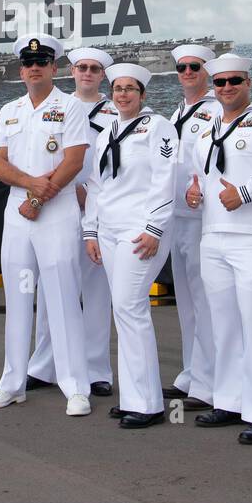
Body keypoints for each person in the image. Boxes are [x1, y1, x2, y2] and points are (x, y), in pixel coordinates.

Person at [185, 54, 252, 445]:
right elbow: (200, 172)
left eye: (235, 81)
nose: (227, 87)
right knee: (224, 323)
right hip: (213, 234)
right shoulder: (207, 127)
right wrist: (193, 190)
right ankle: (229, 401)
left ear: (249, 82)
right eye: (220, 83)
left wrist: (245, 193)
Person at [0, 34, 93, 416]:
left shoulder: (72, 107)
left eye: (42, 62)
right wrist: (30, 187)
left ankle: (75, 386)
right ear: (21, 70)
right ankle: (12, 382)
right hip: (18, 211)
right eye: (29, 63)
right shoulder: (10, 110)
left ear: (54, 67)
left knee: (62, 297)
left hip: (57, 210)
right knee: (17, 298)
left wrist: (39, 196)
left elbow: (75, 160)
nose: (35, 68)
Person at [82, 63, 176, 428]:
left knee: (130, 306)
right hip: (109, 229)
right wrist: (90, 231)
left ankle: (148, 404)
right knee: (123, 311)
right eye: (117, 88)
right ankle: (135, 395)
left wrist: (154, 228)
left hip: (141, 229)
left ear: (143, 94)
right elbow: (96, 185)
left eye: (130, 89)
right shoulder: (107, 131)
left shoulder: (159, 128)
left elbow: (165, 180)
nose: (122, 95)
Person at [25, 46, 117, 397]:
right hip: (58, 202)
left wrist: (91, 199)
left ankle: (95, 370)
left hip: (101, 210)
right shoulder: (57, 106)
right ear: (72, 71)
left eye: (94, 68)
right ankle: (44, 365)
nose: (88, 73)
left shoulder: (115, 111)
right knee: (52, 289)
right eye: (81, 67)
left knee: (96, 291)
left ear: (102, 75)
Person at [164, 43, 220, 410]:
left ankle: (210, 381)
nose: (187, 73)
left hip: (203, 218)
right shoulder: (177, 110)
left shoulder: (216, 110)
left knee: (205, 302)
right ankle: (191, 372)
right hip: (176, 218)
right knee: (185, 302)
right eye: (182, 67)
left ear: (208, 70)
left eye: (194, 67)